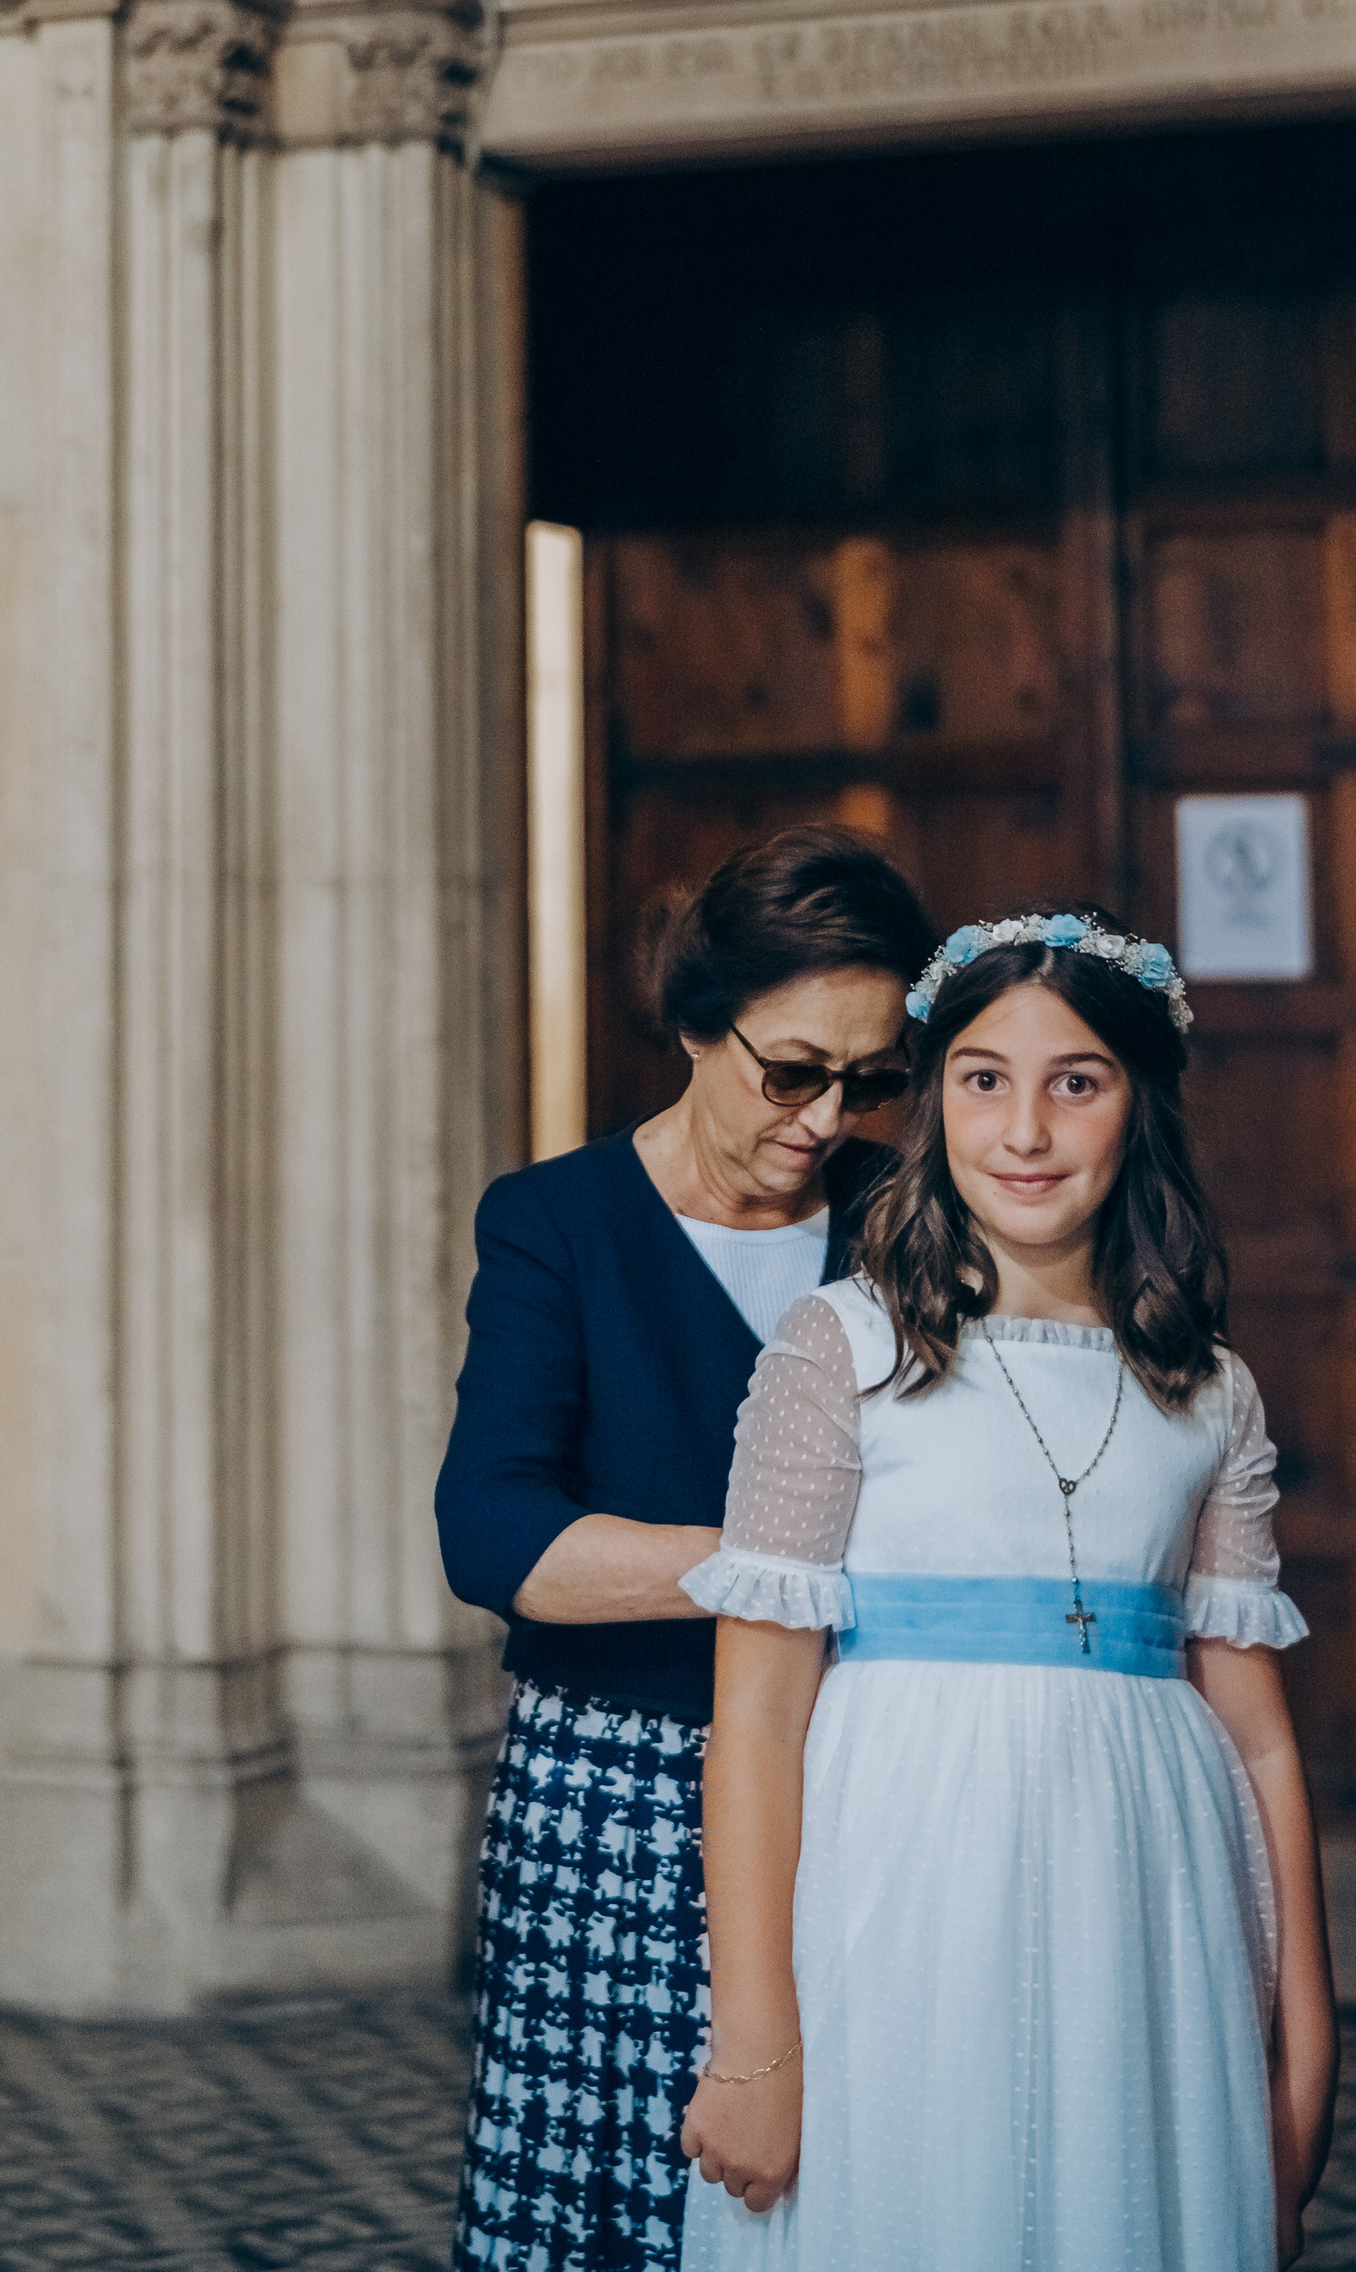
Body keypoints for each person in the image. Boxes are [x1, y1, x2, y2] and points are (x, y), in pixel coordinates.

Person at [679, 905, 1338, 2271]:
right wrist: (752, 2046)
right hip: (901, 1887)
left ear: (1137, 1106)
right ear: (935, 1105)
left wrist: (1303, 2049)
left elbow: (1260, 1738)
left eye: (1074, 1083)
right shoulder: (841, 1350)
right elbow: (751, 1720)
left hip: (1146, 1906)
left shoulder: (1210, 1392)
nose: (1025, 1131)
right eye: (984, 1080)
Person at [437, 824, 936, 2272]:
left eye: (870, 1080)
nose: (826, 1117)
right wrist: (775, 1563)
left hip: (851, 1771)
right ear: (694, 1027)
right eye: (792, 1071)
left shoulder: (902, 1224)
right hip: (616, 1788)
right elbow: (497, 1533)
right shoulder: (558, 1225)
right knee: (620, 2202)